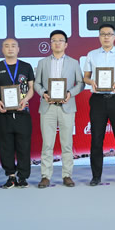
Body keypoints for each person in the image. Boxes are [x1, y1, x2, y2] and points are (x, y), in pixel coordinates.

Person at [83, 24, 115, 186]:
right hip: (98, 100)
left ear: (114, 36)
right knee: (96, 139)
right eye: (103, 34)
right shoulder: (91, 55)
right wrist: (91, 81)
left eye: (109, 34)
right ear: (99, 36)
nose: (106, 37)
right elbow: (86, 77)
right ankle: (96, 176)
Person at [34, 30, 85, 188]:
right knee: (47, 144)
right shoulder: (42, 62)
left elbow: (81, 83)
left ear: (66, 44)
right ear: (50, 44)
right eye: (54, 40)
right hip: (48, 107)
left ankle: (67, 175)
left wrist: (70, 93)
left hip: (67, 107)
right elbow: (36, 83)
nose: (57, 43)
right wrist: (44, 93)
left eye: (60, 40)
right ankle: (45, 176)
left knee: (67, 144)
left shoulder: (74, 63)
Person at [0, 38, 35, 189]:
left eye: (13, 46)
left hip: (23, 113)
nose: (10, 48)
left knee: (24, 146)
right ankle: (11, 176)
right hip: (4, 114)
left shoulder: (26, 66)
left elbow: (31, 88)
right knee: (6, 147)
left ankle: (23, 177)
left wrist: (25, 100)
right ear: (2, 49)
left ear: (18, 49)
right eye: (6, 46)